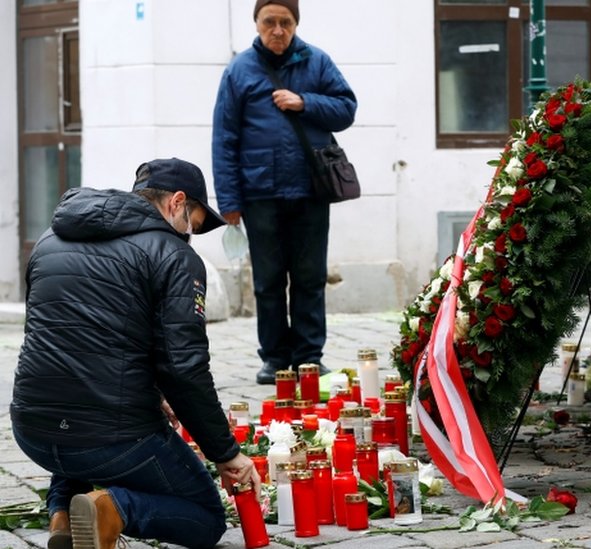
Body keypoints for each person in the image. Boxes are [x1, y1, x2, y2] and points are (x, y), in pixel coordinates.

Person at [10, 158, 259, 549]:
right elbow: (184, 368)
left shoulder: (49, 239)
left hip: (33, 430)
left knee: (73, 409)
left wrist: (153, 394)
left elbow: (67, 341)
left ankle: (63, 518)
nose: (191, 233)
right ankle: (113, 510)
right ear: (177, 202)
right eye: (194, 218)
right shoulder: (174, 256)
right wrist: (227, 454)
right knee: (208, 518)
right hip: (111, 440)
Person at [212, 0, 357, 384]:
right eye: (269, 22)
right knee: (268, 281)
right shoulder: (239, 70)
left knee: (310, 277)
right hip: (260, 193)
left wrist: (304, 102)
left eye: (285, 22)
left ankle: (309, 357)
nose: (277, 30)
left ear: (295, 24)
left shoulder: (318, 62)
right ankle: (275, 360)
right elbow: (224, 139)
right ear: (257, 23)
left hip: (311, 190)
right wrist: (229, 202)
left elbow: (346, 109)